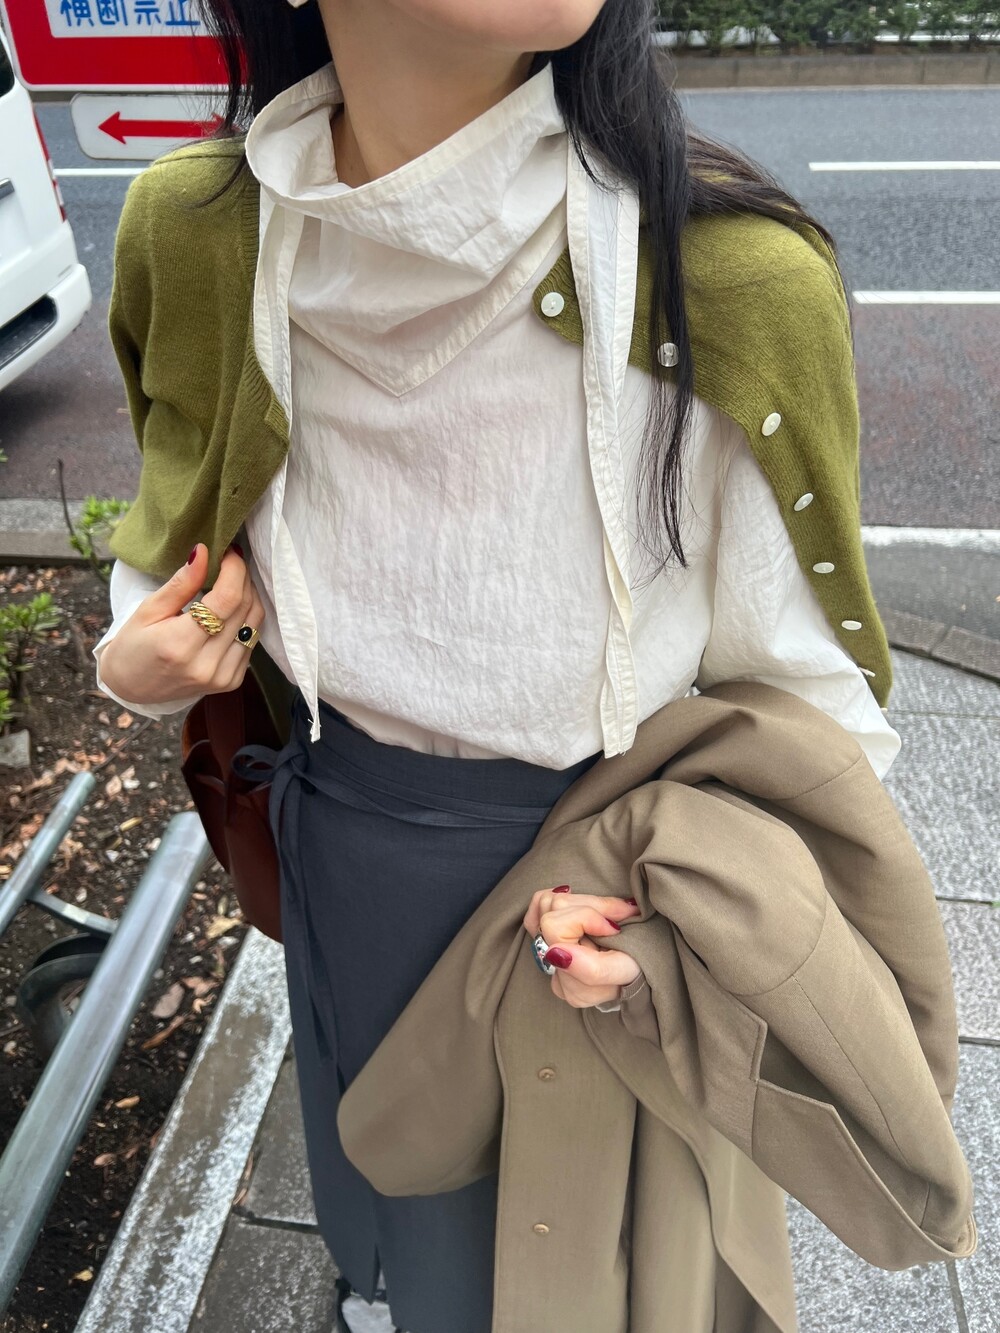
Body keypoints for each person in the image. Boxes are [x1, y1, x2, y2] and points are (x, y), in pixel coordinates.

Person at [93, 2, 902, 1329]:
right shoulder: (197, 233)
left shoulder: (726, 277)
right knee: (380, 1170)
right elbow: (174, 521)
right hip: (338, 843)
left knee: (581, 1268)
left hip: (606, 898)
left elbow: (807, 709)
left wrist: (702, 933)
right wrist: (141, 658)